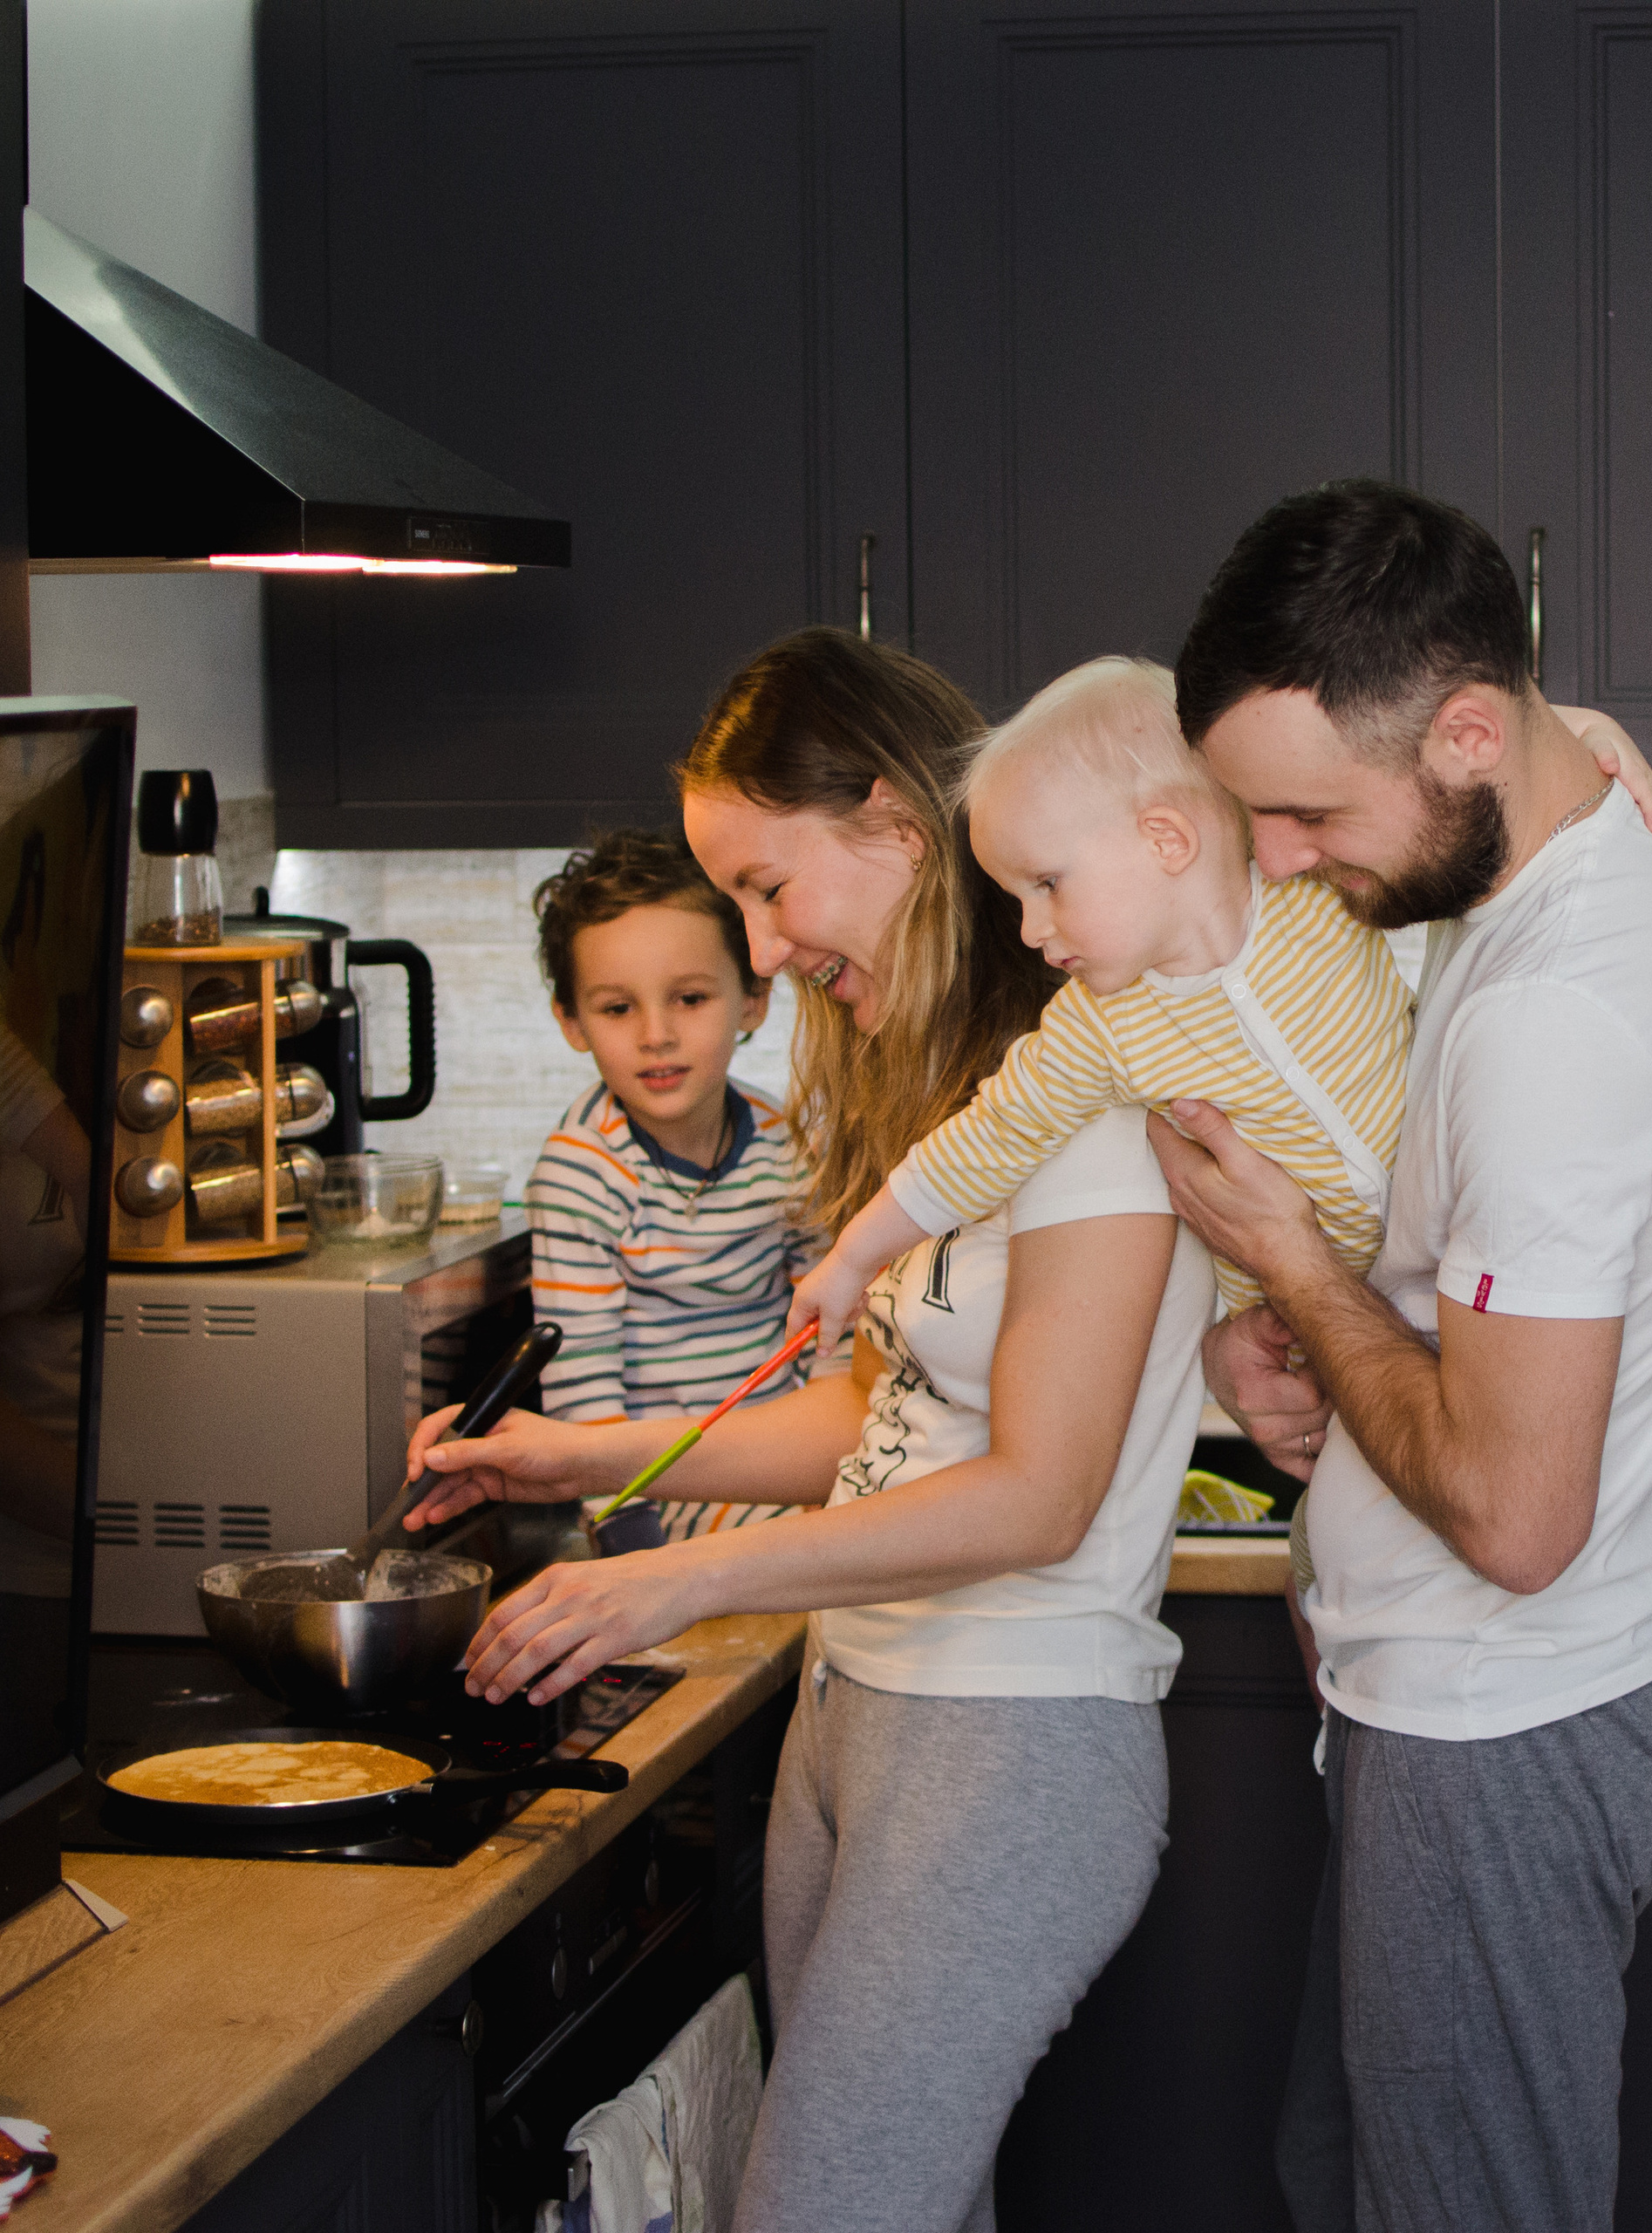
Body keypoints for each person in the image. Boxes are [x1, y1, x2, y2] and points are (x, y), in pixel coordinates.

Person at [402, 626, 1219, 2233]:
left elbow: (1041, 1495)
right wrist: (580, 1459)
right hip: (861, 1710)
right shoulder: (950, 1105)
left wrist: (682, 1584)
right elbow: (876, 1416)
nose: (763, 956)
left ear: (897, 835)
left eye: (772, 892)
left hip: (1016, 1746)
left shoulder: (1094, 1096)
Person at [1148, 481, 1652, 2232]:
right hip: (1474, 1718)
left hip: (1494, 1737)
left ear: (1464, 735)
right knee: (1346, 2174)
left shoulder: (1552, 1018)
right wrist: (1335, 1349)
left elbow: (1511, 1511)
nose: (1273, 860)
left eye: (1299, 812)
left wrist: (1278, 1248)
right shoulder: (1589, 823)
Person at [791, 653, 1652, 1343]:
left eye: (1046, 885)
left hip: (1459, 1267)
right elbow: (976, 1147)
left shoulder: (1313, 888)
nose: (1028, 929)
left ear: (1165, 838)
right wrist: (849, 1259)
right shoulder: (1096, 1029)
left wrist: (1588, 729)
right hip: (1313, 1333)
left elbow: (1438, 787)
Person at [526, 828, 831, 1541]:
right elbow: (582, 1392)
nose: (655, 1035)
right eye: (616, 1008)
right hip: (661, 1491)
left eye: (689, 999)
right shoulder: (583, 1176)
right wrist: (630, 1541)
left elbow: (830, 1329)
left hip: (786, 1458)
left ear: (753, 1000)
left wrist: (838, 1464)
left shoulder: (789, 1140)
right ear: (572, 1022)